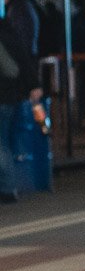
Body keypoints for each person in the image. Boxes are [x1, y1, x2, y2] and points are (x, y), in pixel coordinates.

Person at [0, 18, 44, 203]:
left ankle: (8, 189)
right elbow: (24, 61)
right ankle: (10, 186)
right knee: (7, 141)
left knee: (1, 143)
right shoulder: (11, 33)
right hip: (13, 97)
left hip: (3, 95)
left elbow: (11, 69)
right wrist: (33, 85)